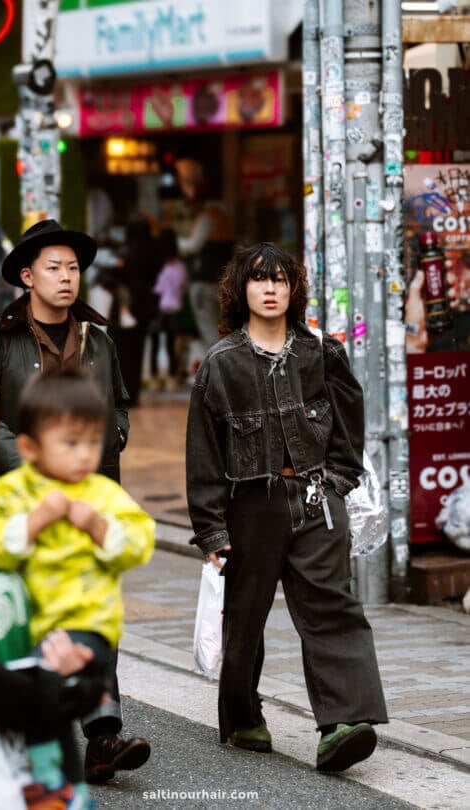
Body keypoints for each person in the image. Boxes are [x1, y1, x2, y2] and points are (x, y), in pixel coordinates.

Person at [186, 242, 388, 772]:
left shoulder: (322, 352)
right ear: (241, 291)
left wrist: (340, 484)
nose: (271, 288)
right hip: (250, 505)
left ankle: (343, 723)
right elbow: (203, 454)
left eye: (280, 279)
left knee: (332, 606)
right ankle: (244, 713)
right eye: (259, 279)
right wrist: (210, 531)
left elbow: (349, 425)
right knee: (246, 617)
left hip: (317, 500)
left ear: (294, 289)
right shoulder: (220, 364)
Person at [0, 218, 149, 780]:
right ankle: (24, 733)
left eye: (73, 268)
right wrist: (35, 464)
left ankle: (103, 736)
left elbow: (119, 405)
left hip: (92, 501)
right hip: (20, 506)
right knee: (26, 620)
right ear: (27, 276)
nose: (67, 278)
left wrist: (110, 437)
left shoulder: (99, 339)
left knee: (92, 610)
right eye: (54, 268)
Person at [0, 360, 105, 810]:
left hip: (39, 755)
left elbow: (65, 608)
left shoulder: (4, 521)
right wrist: (55, 697)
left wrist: (84, 665)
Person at [0, 368, 156, 786]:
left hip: (86, 621)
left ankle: (81, 710)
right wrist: (34, 522)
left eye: (92, 442)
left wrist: (100, 529)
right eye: (69, 443)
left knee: (59, 682)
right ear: (30, 448)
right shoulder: (10, 492)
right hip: (26, 622)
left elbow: (140, 540)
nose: (83, 455)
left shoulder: (102, 494)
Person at [174, 158, 234, 354]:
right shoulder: (226, 215)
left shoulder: (208, 216)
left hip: (204, 280)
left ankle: (216, 373)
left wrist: (172, 242)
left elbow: (192, 245)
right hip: (222, 281)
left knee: (209, 331)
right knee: (223, 329)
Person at [107, 213, 159, 406]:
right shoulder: (153, 253)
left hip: (124, 307)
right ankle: (134, 393)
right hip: (143, 308)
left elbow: (112, 279)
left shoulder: (125, 253)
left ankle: (122, 393)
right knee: (137, 351)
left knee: (121, 352)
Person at [150, 228, 188, 392]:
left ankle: (154, 377)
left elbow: (156, 289)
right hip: (175, 308)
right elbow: (184, 286)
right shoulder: (180, 267)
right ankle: (172, 377)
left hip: (159, 308)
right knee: (172, 344)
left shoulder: (158, 266)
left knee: (155, 343)